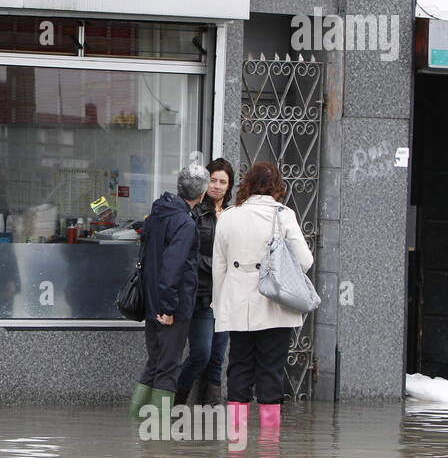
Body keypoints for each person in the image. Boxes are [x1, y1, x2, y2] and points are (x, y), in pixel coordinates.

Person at [212, 162, 314, 434]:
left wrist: (220, 304)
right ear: (277, 186)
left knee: (239, 367)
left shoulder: (229, 216)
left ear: (246, 184)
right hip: (274, 305)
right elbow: (305, 260)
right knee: (271, 370)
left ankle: (237, 440)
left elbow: (218, 267)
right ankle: (269, 446)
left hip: (237, 304)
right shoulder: (284, 215)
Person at [129, 164, 209, 421]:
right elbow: (173, 268)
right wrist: (169, 308)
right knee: (168, 367)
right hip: (169, 307)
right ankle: (158, 434)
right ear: (202, 194)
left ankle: (137, 422)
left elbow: (149, 259)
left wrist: (158, 304)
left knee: (154, 363)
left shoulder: (158, 213)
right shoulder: (184, 223)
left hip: (152, 302)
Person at [175, 158, 234, 407]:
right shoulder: (196, 213)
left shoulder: (233, 214)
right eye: (213, 180)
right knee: (201, 352)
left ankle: (210, 411)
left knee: (218, 357)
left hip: (226, 296)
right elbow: (190, 254)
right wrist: (218, 267)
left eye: (223, 182)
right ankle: (175, 401)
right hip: (201, 294)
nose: (217, 186)